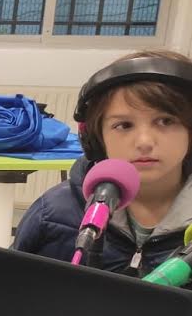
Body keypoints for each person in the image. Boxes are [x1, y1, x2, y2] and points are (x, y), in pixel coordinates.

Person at [14, 49, 192, 278]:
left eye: (165, 121)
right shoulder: (52, 213)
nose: (144, 142)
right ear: (96, 140)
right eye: (124, 125)